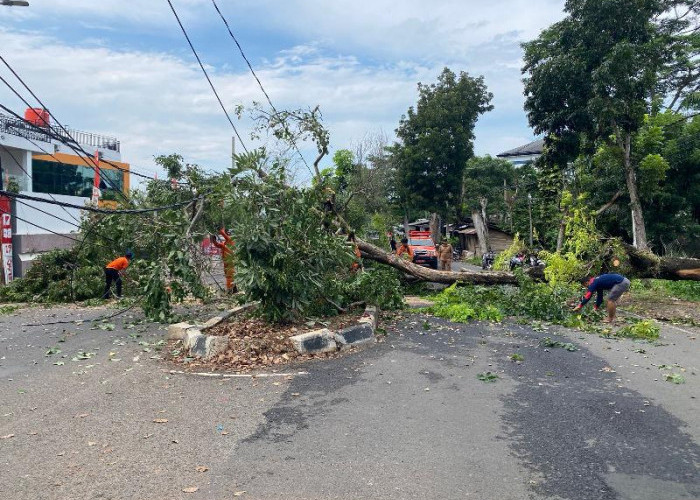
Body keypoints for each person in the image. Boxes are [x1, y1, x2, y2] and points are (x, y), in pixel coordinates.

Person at [212, 228, 236, 292]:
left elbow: (227, 237)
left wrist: (222, 231)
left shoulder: (232, 241)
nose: (228, 235)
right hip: (226, 262)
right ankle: (234, 289)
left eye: (229, 234)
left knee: (229, 276)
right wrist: (213, 239)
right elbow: (218, 245)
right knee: (228, 275)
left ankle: (229, 290)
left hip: (230, 262)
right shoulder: (225, 243)